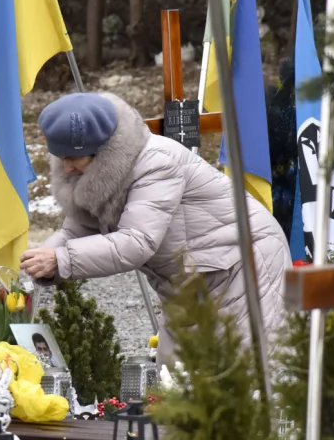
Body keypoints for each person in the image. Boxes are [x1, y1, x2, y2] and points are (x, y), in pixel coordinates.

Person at [20, 93, 290, 361]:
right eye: (61, 158)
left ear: (101, 151)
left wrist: (61, 259)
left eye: (73, 158)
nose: (66, 168)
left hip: (242, 262)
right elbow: (76, 230)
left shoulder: (157, 163)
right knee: (177, 374)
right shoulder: (89, 170)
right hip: (191, 277)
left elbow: (137, 242)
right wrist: (39, 260)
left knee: (242, 370)